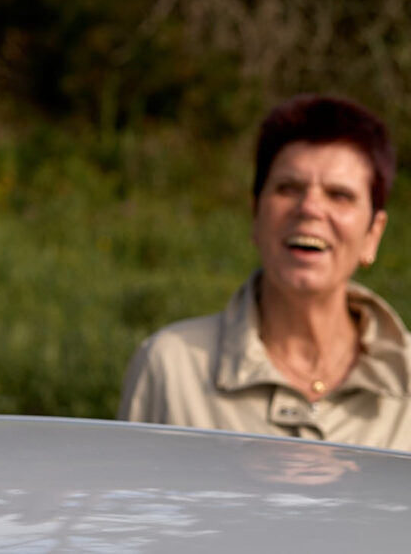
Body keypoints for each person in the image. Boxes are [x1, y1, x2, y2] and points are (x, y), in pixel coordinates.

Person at [118, 95, 411, 451]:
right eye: (288, 188)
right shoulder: (171, 367)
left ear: (373, 234)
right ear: (255, 215)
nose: (310, 208)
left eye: (339, 195)